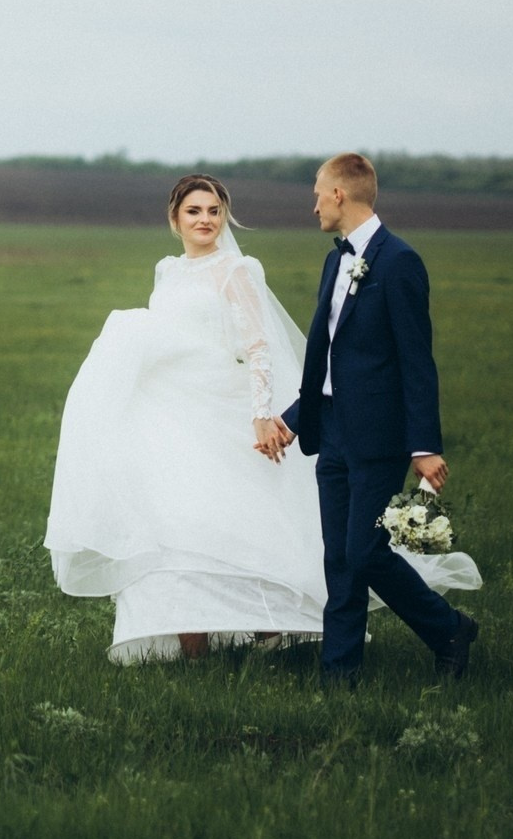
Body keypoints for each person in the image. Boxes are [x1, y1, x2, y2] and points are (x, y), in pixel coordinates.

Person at [45, 172, 476, 665]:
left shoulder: (237, 269)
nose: (205, 220)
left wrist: (261, 416)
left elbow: (258, 348)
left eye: (213, 211)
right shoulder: (166, 270)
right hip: (173, 418)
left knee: (242, 526)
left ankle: (285, 637)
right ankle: (194, 648)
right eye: (194, 211)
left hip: (224, 412)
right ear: (175, 218)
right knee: (173, 528)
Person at [272, 154, 483, 688]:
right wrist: (296, 418)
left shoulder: (399, 262)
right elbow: (329, 360)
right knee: (339, 560)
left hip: (380, 438)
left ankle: (449, 628)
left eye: (318, 191)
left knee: (365, 551)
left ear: (340, 194)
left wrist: (424, 444)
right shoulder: (334, 261)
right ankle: (338, 677)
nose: (313, 202)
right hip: (332, 432)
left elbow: (417, 360)